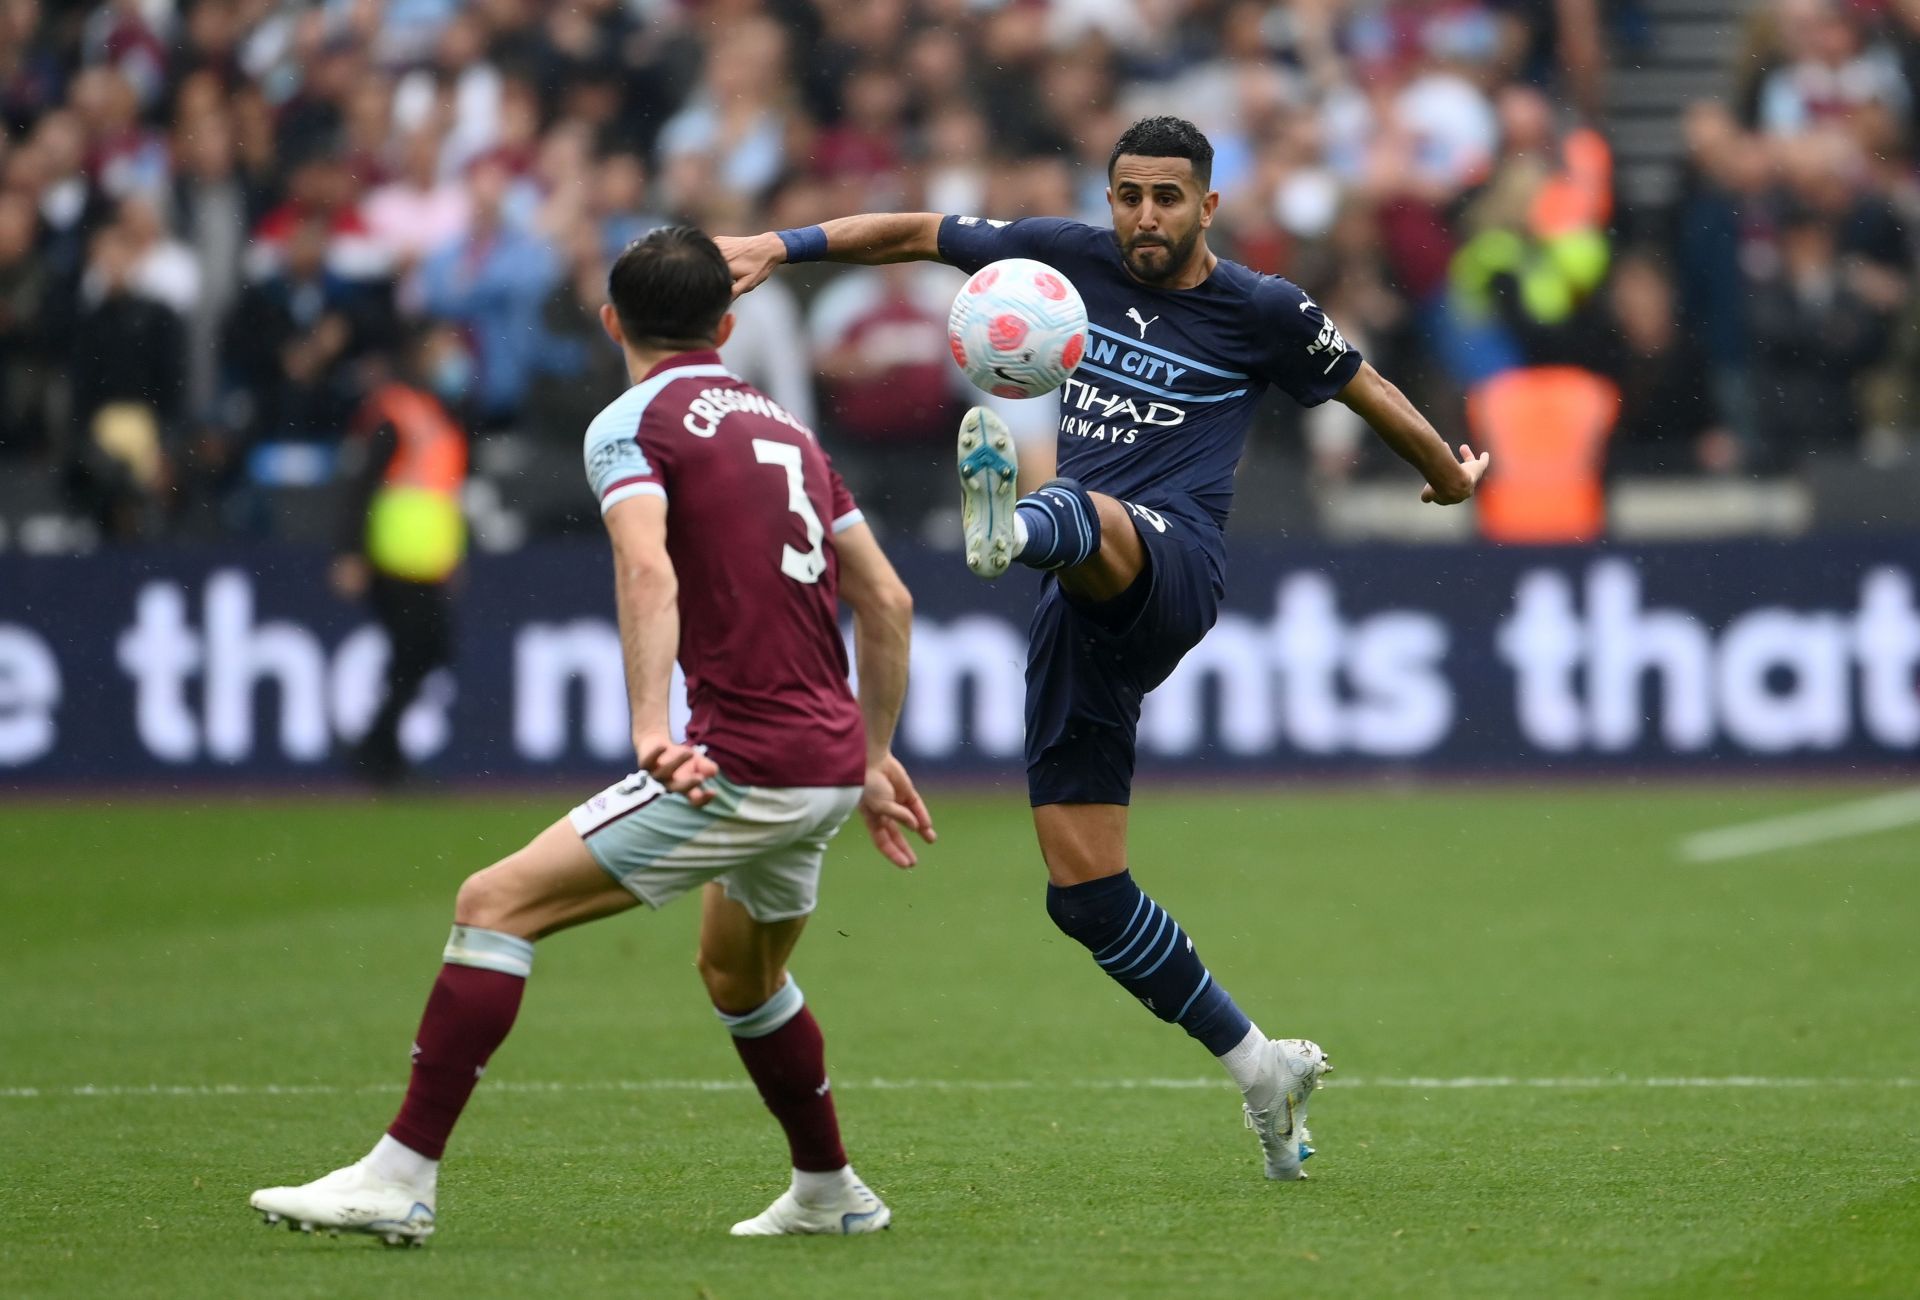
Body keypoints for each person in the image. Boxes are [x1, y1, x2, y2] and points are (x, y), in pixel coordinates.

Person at [720, 116, 1489, 1183]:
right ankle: (1262, 1066)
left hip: (1172, 565)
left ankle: (1020, 526)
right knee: (1084, 893)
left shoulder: (1262, 310)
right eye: (1128, 193)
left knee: (1080, 504)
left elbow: (1365, 386)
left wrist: (1447, 473)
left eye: (1167, 197)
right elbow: (919, 233)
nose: (1144, 216)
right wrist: (781, 249)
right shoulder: (1065, 259)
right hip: (1083, 611)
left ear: (1207, 206)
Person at [251, 226, 934, 1243]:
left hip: (743, 762)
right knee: (739, 975)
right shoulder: (787, 429)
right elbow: (887, 599)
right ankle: (831, 1190)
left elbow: (645, 566)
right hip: (824, 761)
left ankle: (399, 1175)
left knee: (493, 904)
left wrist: (651, 725)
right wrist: (870, 754)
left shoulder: (632, 422)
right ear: (729, 325)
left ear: (612, 320)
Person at [331, 322, 472, 785]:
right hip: (393, 558)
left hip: (425, 559)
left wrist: (451, 555)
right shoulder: (396, 412)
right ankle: (379, 753)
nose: (451, 358)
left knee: (422, 655)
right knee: (416, 654)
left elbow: (443, 493)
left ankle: (378, 749)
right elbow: (359, 485)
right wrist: (350, 551)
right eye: (442, 348)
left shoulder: (434, 412)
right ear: (419, 354)